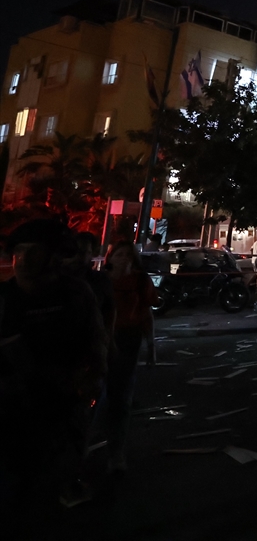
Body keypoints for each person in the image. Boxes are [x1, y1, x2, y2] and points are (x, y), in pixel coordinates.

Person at [0, 220, 107, 516]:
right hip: (12, 405)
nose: (23, 261)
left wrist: (89, 381)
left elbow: (95, 341)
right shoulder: (5, 298)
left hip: (63, 402)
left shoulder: (75, 294)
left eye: (33, 253)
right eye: (18, 253)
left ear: (52, 258)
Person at [99, 242, 156, 473]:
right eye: (119, 255)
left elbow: (146, 313)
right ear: (110, 258)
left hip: (128, 340)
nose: (123, 259)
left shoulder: (140, 281)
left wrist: (151, 344)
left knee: (121, 398)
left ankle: (116, 453)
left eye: (128, 255)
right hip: (100, 340)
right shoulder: (100, 281)